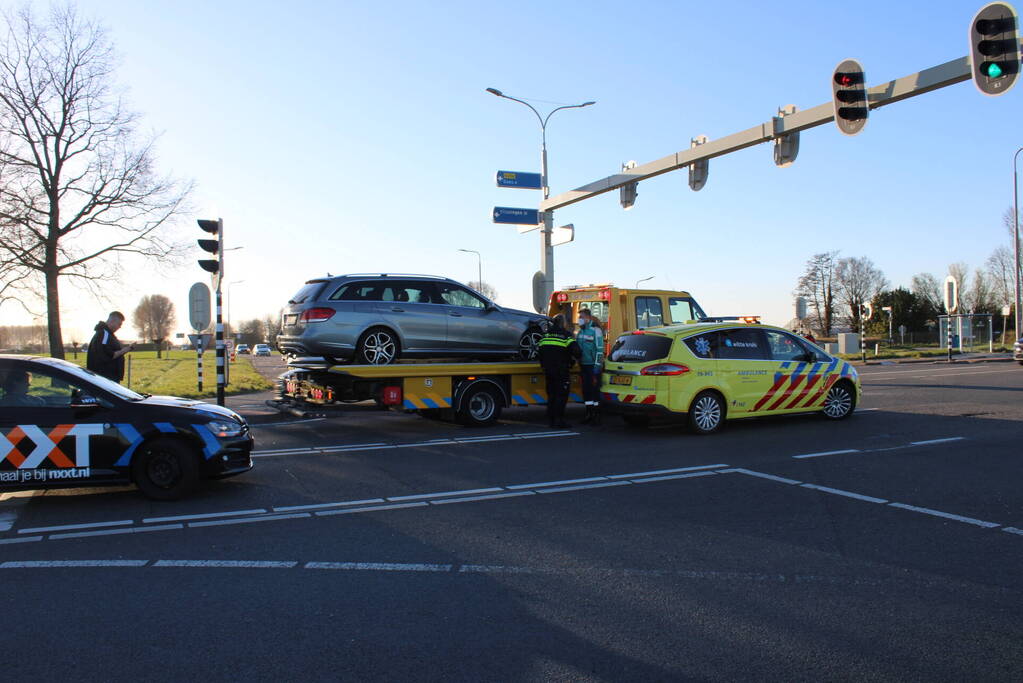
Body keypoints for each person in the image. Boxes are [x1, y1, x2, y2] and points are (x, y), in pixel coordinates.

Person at [537, 314, 581, 428]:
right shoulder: (566, 336)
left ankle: (551, 419)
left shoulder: (545, 335)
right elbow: (577, 351)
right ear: (563, 323)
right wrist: (573, 360)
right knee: (561, 396)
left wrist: (543, 365)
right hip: (561, 371)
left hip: (548, 371)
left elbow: (539, 352)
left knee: (551, 395)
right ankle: (559, 420)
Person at [575, 307, 605, 425]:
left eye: (581, 317)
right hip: (583, 366)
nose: (579, 319)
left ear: (587, 318)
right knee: (586, 391)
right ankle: (588, 414)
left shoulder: (595, 330)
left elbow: (600, 350)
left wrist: (597, 366)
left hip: (593, 366)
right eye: (579, 317)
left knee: (594, 391)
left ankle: (596, 415)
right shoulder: (580, 331)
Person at [87, 311, 133, 382]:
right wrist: (124, 350)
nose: (120, 327)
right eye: (119, 324)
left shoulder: (107, 334)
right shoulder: (104, 334)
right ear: (112, 321)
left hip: (107, 377)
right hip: (105, 378)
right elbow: (108, 355)